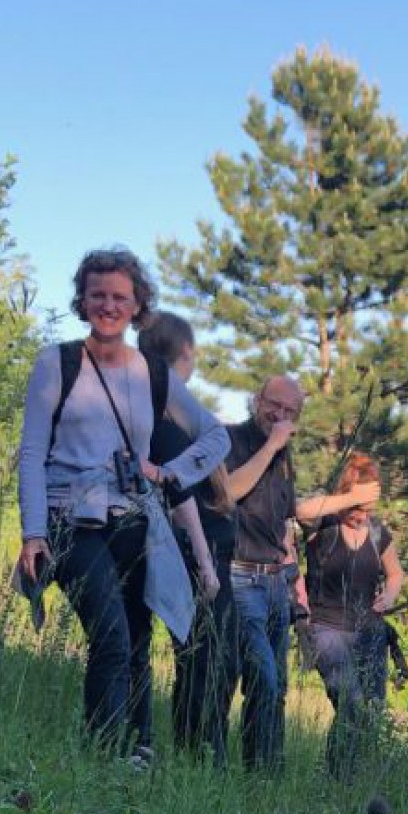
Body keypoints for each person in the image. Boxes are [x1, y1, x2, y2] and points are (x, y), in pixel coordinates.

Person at [15, 248, 230, 764]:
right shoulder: (57, 362)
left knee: (136, 636)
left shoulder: (153, 374)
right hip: (71, 519)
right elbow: (30, 452)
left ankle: (139, 750)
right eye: (98, 296)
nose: (108, 305)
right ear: (83, 301)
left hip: (135, 519)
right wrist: (34, 532)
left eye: (120, 297)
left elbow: (215, 436)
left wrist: (168, 473)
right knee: (109, 632)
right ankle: (103, 756)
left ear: (137, 307)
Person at [222, 376, 380, 771]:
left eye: (290, 412)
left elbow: (293, 514)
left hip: (277, 580)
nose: (280, 416)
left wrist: (296, 592)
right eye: (274, 405)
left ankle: (264, 775)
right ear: (257, 399)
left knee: (277, 688)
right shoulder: (230, 439)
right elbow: (229, 492)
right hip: (240, 575)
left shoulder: (285, 456)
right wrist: (274, 443)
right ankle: (224, 762)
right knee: (260, 676)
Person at [138, 312, 237, 763]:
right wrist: (203, 560)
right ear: (186, 353)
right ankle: (195, 747)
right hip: (191, 546)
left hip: (185, 542)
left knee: (199, 657)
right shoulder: (172, 420)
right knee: (201, 657)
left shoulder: (144, 405)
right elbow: (181, 494)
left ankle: (191, 743)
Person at [303, 453, 404, 779]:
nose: (362, 515)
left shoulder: (378, 533)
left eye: (368, 508)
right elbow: (300, 509)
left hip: (369, 631)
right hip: (326, 629)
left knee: (370, 711)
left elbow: (395, 575)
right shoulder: (325, 523)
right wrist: (350, 499)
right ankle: (336, 776)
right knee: (351, 700)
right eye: (358, 507)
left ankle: (347, 777)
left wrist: (388, 596)